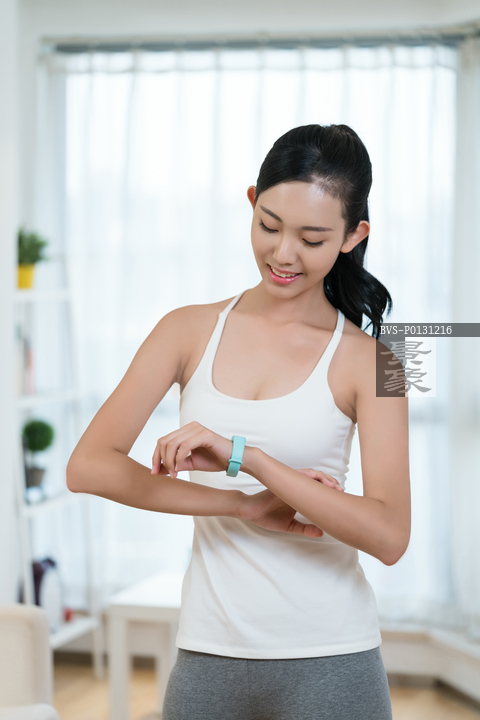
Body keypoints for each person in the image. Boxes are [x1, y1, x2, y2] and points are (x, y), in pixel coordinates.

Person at [67, 123, 410, 720]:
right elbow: (88, 467)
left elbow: (390, 536)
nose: (283, 254)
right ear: (252, 202)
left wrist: (247, 457)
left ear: (354, 236)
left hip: (333, 659)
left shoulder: (378, 363)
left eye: (311, 238)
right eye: (269, 225)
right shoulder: (185, 329)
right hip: (208, 652)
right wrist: (239, 505)